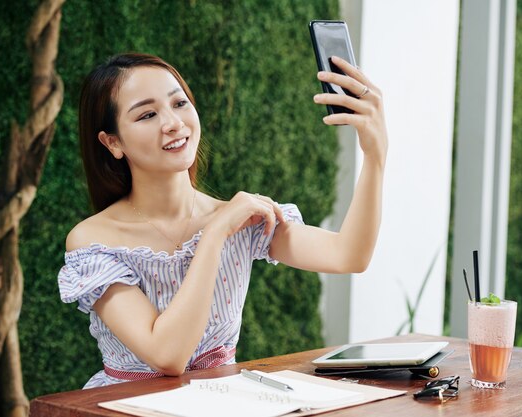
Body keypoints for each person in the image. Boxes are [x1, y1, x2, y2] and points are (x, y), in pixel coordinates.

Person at [58, 52, 387, 388]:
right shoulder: (93, 241)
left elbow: (349, 255)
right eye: (147, 114)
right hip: (124, 408)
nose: (173, 122)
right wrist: (214, 234)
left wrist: (375, 155)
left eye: (180, 103)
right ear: (112, 142)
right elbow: (169, 356)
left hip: (221, 401)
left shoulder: (239, 218)